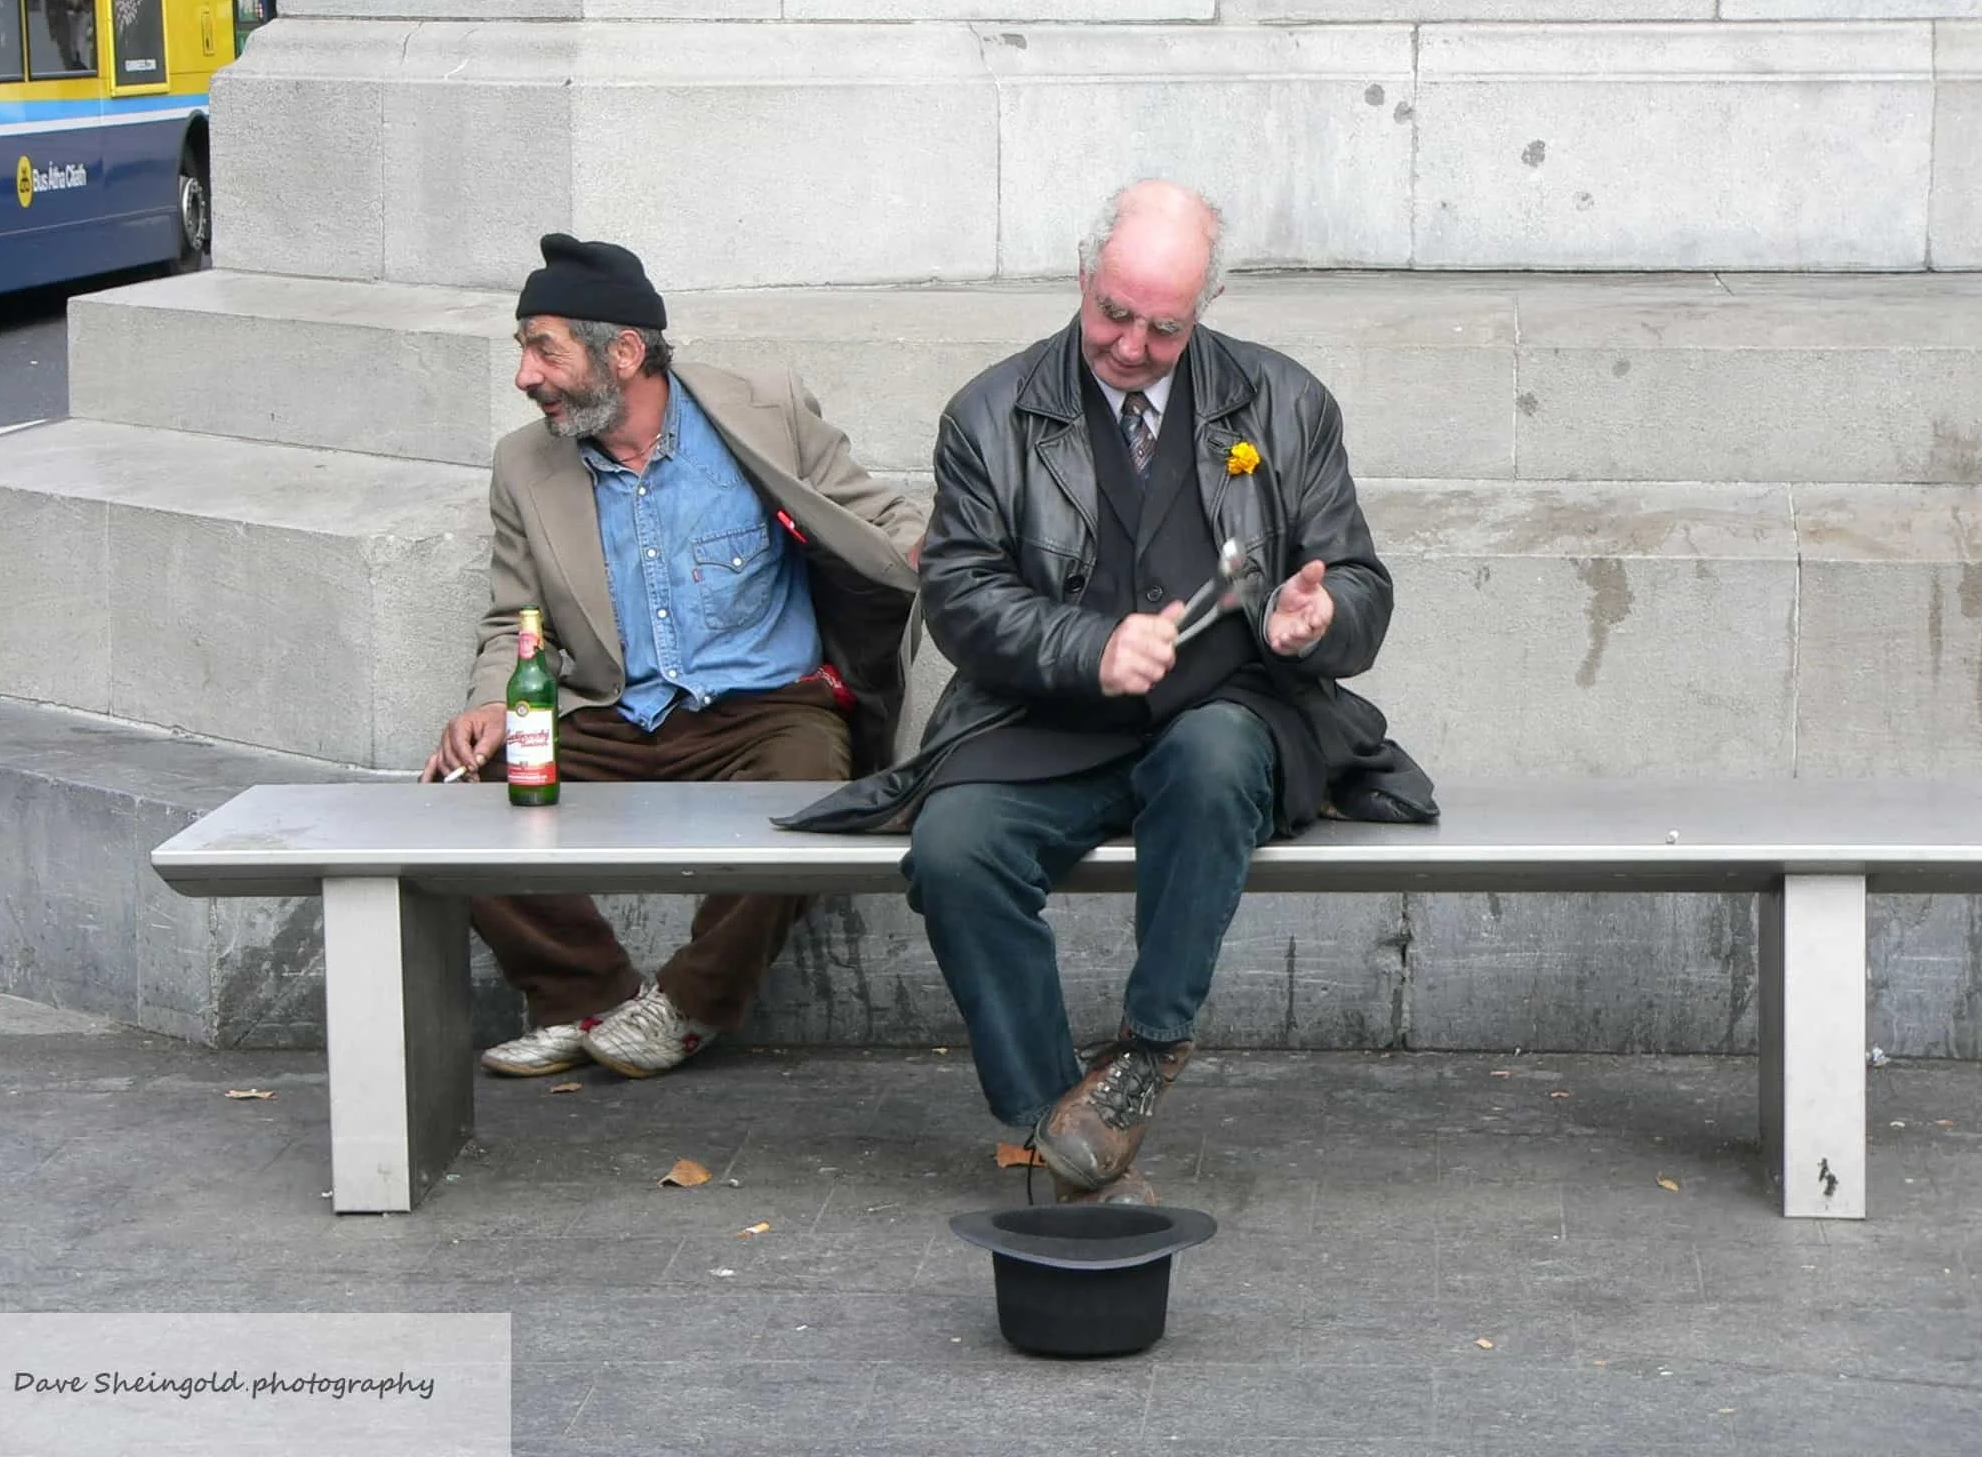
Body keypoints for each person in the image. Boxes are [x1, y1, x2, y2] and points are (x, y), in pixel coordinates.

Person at [782, 181, 1435, 1204]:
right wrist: (1087, 646)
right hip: (1041, 717)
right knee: (952, 851)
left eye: (1162, 327)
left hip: (1239, 711)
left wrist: (1320, 619)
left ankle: (1143, 1054)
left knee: (1210, 754)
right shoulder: (989, 412)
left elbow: (1354, 583)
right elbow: (955, 595)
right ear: (1083, 277)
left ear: (1205, 306)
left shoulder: (1285, 402)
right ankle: (1053, 1120)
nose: (1129, 344)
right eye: (1112, 314)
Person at [422, 234, 925, 1080]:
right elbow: (515, 618)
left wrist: (925, 561)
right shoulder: (523, 464)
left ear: (623, 352)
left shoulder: (764, 410)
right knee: (454, 801)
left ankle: (688, 1006)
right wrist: (487, 704)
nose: (525, 377)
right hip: (611, 712)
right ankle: (586, 996)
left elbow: (877, 514)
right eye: (523, 352)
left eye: (544, 351)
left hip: (764, 712)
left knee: (811, 798)